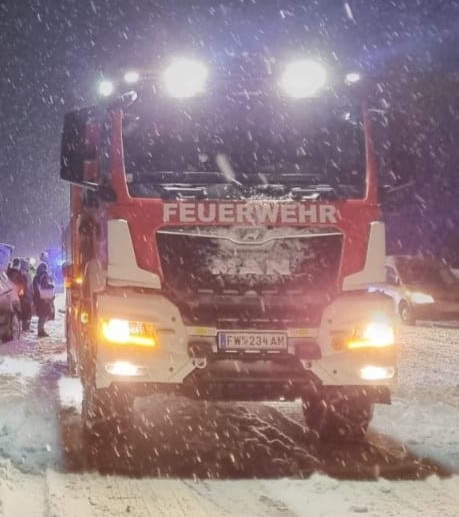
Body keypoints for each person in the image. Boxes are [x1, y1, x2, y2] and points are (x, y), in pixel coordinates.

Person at [32, 261, 54, 338]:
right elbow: (44, 286)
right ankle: (40, 331)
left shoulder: (36, 276)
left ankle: (40, 330)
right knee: (44, 314)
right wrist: (50, 286)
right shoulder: (44, 275)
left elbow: (35, 287)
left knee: (42, 314)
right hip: (43, 298)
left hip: (37, 297)